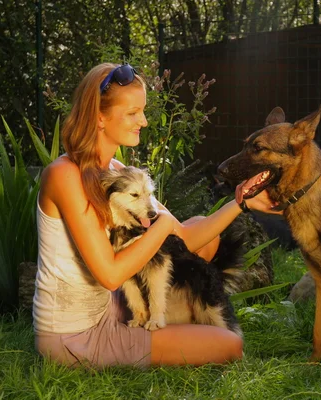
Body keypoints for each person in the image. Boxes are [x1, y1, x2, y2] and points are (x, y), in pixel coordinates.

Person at [33, 62, 279, 368]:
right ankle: (180, 328)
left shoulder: (115, 171)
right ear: (99, 116)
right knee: (229, 346)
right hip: (76, 336)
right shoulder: (65, 175)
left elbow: (186, 237)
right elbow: (109, 274)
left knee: (202, 230)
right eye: (133, 113)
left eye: (143, 111)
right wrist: (161, 227)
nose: (144, 121)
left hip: (114, 307)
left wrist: (242, 202)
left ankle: (179, 321)